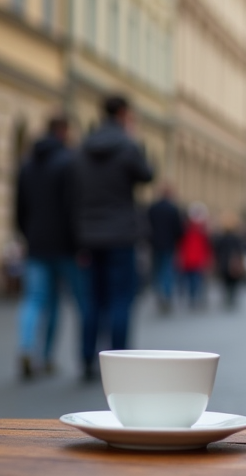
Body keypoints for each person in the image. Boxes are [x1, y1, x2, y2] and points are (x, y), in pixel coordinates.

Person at [74, 95, 154, 381]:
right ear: (123, 113)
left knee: (91, 300)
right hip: (121, 234)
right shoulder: (128, 146)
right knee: (121, 299)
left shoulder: (84, 146)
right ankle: (119, 362)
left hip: (89, 235)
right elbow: (147, 175)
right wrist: (136, 140)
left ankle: (86, 360)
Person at [14, 115, 82, 380]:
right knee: (61, 301)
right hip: (64, 246)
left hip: (36, 244)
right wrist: (77, 242)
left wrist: (27, 234)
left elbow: (19, 209)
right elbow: (72, 206)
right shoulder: (68, 162)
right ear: (63, 131)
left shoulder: (27, 165)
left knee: (33, 298)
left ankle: (26, 347)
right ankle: (49, 357)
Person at [146, 185, 184, 313]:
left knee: (157, 271)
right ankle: (166, 295)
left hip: (155, 244)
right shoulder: (173, 209)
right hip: (168, 244)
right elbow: (178, 229)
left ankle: (160, 294)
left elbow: (147, 225)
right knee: (167, 270)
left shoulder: (153, 208)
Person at [177, 203, 211, 310]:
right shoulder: (201, 230)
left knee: (193, 281)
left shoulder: (187, 230)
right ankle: (195, 298)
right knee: (195, 281)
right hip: (195, 259)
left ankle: (193, 298)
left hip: (191, 259)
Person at [211, 213, 246, 310]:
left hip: (224, 263)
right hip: (233, 263)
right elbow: (240, 251)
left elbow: (216, 250)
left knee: (226, 282)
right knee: (234, 282)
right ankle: (232, 298)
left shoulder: (221, 238)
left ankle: (227, 297)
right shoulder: (236, 238)